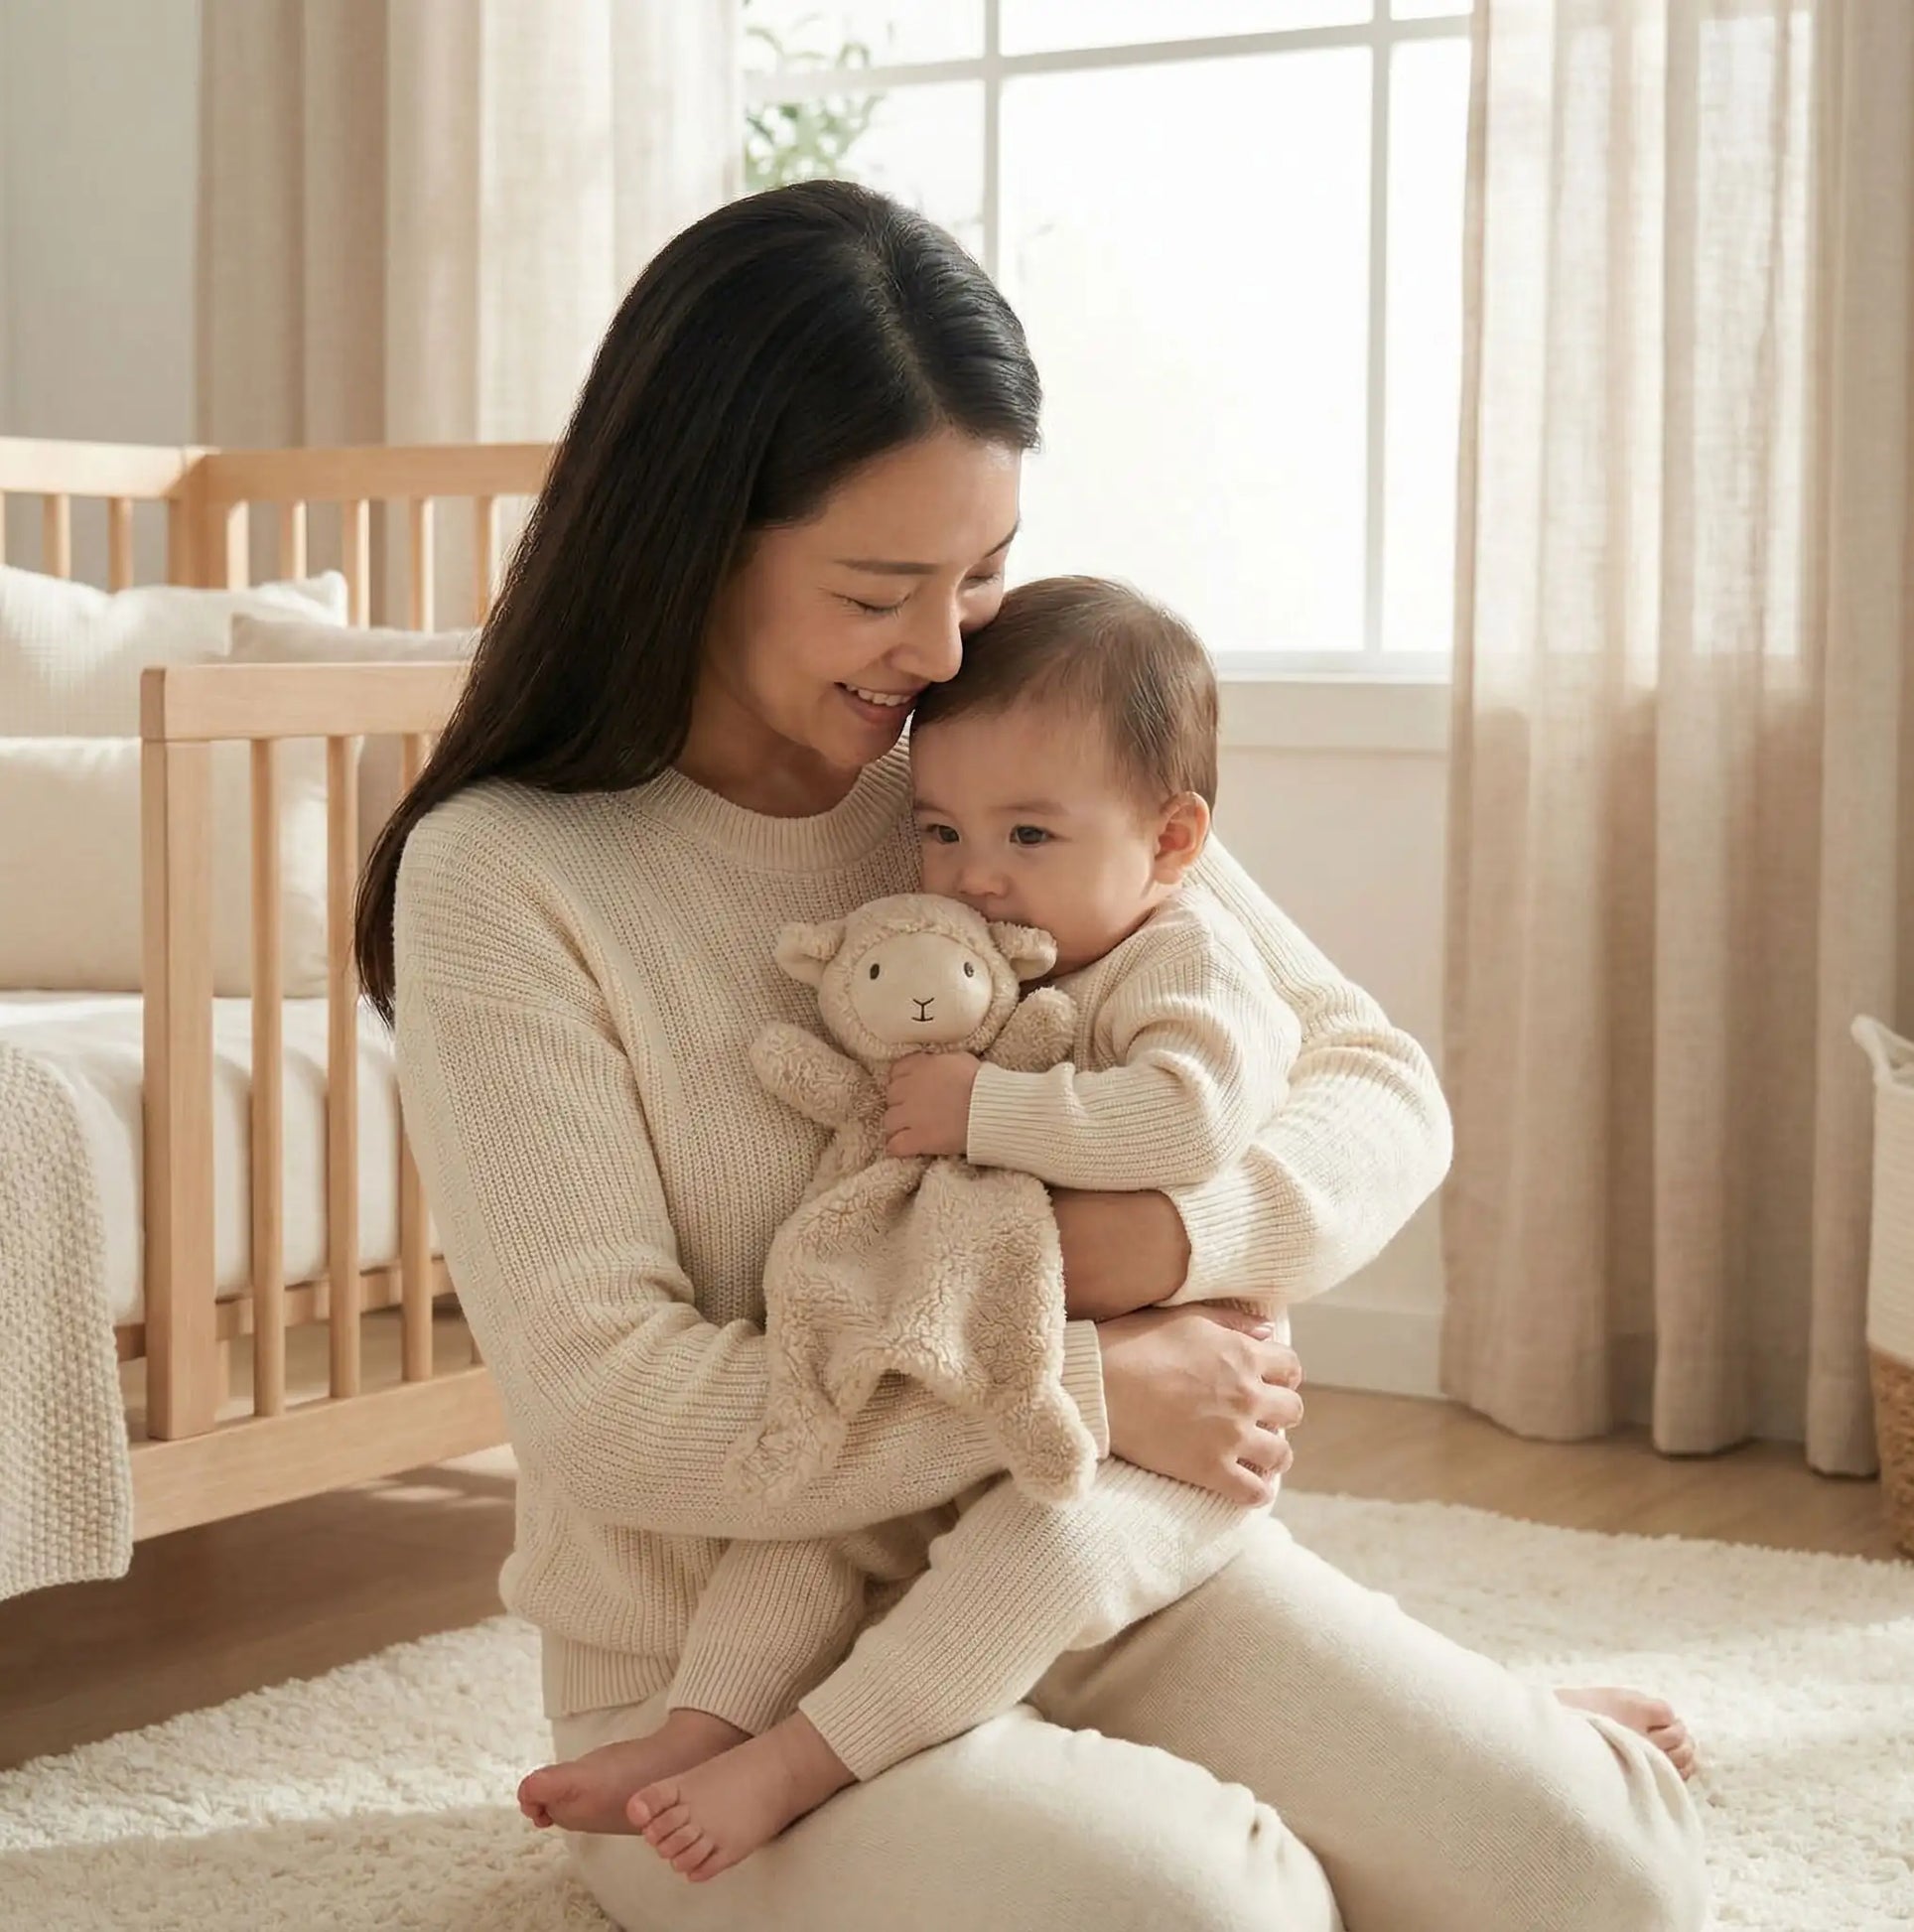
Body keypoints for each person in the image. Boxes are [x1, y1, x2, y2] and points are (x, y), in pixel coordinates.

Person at [358, 181, 1706, 1932]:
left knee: (1610, 1878)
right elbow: (616, 1413)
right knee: (1225, 1914)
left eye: (979, 573)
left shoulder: (991, 767)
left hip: (1105, 1569)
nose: (937, 651)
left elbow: (1371, 1081)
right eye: (877, 590)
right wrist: (1085, 1380)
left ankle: (1463, 1760)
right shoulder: (512, 874)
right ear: (692, 536)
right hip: (725, 1682)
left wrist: (1164, 1245)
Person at [517, 576, 1306, 1880]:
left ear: (1171, 843)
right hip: (985, 1383)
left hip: (1136, 1455)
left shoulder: (1190, 958)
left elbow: (1184, 1118)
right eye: (939, 829)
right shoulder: (1011, 944)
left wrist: (986, 1108)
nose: (974, 875)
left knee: (1023, 1566)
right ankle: (697, 1725)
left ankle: (800, 1758)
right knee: (814, 1523)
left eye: (1028, 837)